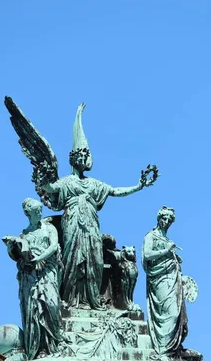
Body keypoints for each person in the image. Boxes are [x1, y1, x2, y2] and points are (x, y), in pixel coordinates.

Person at [40, 103, 156, 310]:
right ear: (74, 159)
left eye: (87, 156)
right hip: (73, 222)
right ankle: (71, 300)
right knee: (73, 258)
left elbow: (115, 191)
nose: (85, 159)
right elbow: (49, 188)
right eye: (81, 156)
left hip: (91, 223)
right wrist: (44, 172)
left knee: (93, 257)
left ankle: (92, 300)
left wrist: (139, 186)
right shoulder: (66, 182)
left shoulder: (94, 184)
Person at [3, 198, 67, 360]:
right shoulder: (24, 234)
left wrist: (39, 259)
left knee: (50, 304)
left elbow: (53, 246)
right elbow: (17, 255)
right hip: (30, 275)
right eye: (36, 211)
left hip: (47, 271)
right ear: (27, 213)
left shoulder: (49, 228)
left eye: (40, 210)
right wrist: (12, 247)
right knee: (33, 310)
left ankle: (55, 344)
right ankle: (39, 349)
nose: (40, 213)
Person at [142, 206, 188, 359]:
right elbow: (147, 255)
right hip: (159, 279)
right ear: (158, 218)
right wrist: (166, 251)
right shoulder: (151, 236)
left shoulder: (167, 240)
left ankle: (169, 351)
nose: (166, 222)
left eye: (169, 220)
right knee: (169, 314)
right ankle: (162, 350)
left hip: (172, 279)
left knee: (177, 314)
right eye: (164, 218)